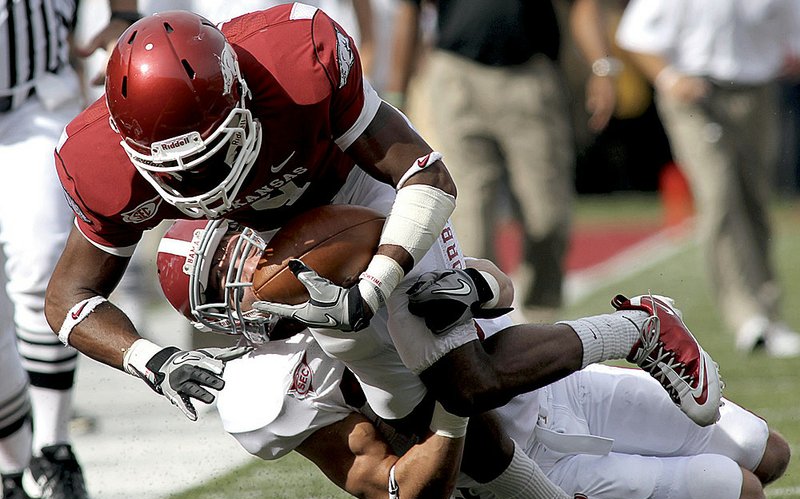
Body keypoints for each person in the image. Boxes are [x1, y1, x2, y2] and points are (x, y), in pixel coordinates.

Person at [46, 5, 720, 443]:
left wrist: (376, 281)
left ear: (243, 98)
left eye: (217, 149)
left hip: (356, 198)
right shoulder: (96, 159)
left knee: (467, 382)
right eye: (181, 169)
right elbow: (69, 296)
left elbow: (427, 173)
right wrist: (152, 358)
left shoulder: (294, 62)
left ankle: (639, 326)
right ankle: (476, 295)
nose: (204, 179)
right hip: (255, 243)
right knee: (391, 417)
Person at [155, 218, 789, 499]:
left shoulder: (332, 241)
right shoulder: (268, 391)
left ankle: (640, 334)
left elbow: (498, 286)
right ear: (219, 312)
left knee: (769, 453)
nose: (249, 263)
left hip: (554, 386)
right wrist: (452, 404)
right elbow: (407, 498)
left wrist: (472, 286)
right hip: (517, 464)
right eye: (224, 273)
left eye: (240, 243)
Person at [384, 0, 620, 322]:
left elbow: (582, 4)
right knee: (469, 216)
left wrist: (601, 66)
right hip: (456, 75)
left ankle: (541, 317)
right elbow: (410, 9)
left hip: (529, 77)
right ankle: (485, 324)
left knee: (547, 217)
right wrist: (397, 95)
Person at [0, 1, 138, 499]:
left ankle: (54, 452)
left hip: (32, 103)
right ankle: (14, 478)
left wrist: (124, 13)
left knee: (41, 269)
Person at [615, 0, 800, 358]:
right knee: (718, 197)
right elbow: (634, 34)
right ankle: (747, 318)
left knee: (755, 202)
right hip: (694, 94)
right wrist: (669, 77)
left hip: (755, 92)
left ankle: (768, 309)